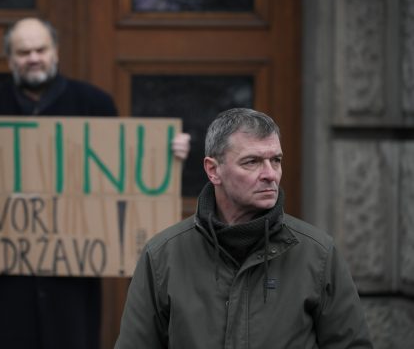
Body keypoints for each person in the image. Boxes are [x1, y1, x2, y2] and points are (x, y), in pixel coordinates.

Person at [0, 17, 191, 349]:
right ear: (10, 59)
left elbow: (125, 174)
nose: (33, 58)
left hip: (73, 283)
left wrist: (166, 153)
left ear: (55, 52)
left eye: (40, 49)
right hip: (5, 286)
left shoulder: (94, 105)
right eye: (23, 51)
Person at [115, 108, 373, 349]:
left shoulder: (318, 254)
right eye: (252, 161)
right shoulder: (162, 256)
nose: (270, 174)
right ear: (213, 170)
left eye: (276, 160)